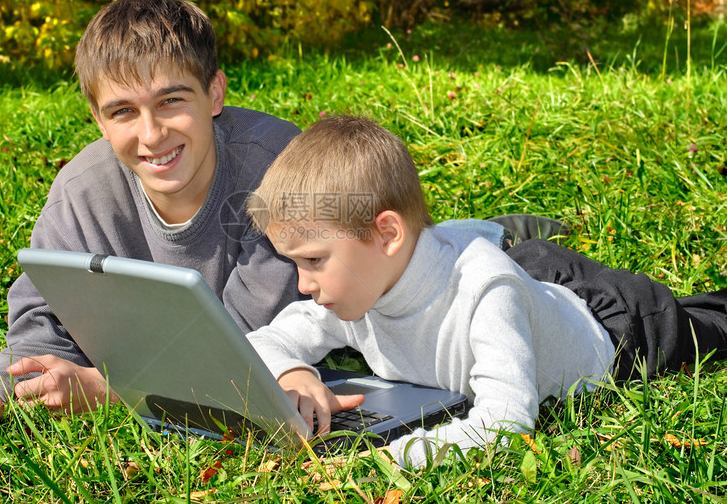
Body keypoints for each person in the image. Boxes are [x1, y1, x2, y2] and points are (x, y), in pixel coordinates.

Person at [0, 0, 512, 439]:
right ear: (98, 120)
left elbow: (240, 344)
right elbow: (41, 320)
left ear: (216, 95)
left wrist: (112, 390)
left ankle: (504, 233)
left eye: (172, 101)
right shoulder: (82, 191)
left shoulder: (277, 177)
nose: (150, 135)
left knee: (480, 259)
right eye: (122, 111)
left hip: (410, 272)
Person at [245, 114, 727, 469]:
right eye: (295, 264)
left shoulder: (485, 291)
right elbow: (263, 341)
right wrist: (291, 372)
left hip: (611, 326)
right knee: (520, 269)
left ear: (387, 234)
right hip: (521, 282)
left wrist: (385, 460)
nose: (303, 285)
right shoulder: (351, 291)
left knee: (706, 325)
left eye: (313, 261)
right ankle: (516, 241)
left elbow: (508, 420)